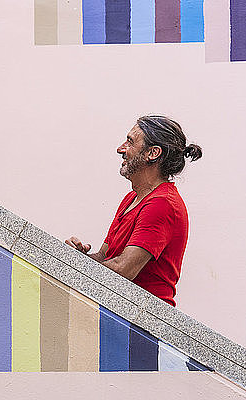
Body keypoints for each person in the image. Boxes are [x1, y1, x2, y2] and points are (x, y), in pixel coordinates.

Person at [65, 116, 202, 306]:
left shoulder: (162, 204)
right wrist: (78, 257)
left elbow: (123, 270)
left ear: (152, 153)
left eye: (130, 142)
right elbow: (105, 258)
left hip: (143, 324)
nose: (120, 149)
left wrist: (72, 267)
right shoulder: (133, 198)